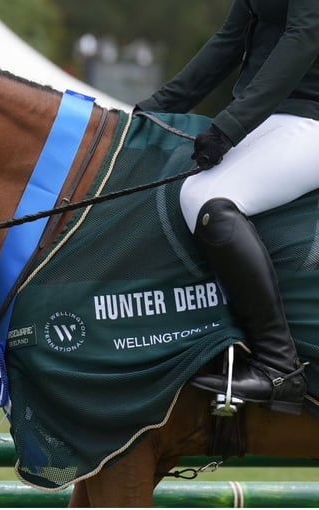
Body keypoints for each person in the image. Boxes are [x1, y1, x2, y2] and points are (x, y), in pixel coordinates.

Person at [136, 0, 319, 415]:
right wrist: (153, 109)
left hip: (310, 117)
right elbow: (230, 39)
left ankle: (279, 367)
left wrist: (231, 126)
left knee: (206, 199)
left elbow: (304, 37)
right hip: (275, 118)